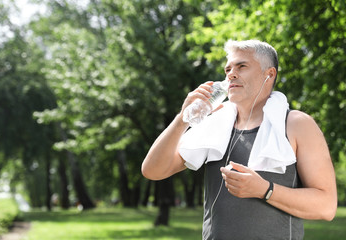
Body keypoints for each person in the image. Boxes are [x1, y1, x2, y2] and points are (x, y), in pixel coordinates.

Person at [141, 39, 337, 239]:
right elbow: (153, 170)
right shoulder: (214, 124)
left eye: (241, 66)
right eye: (227, 69)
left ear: (269, 74)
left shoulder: (296, 124)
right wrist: (183, 118)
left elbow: (326, 206)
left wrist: (265, 190)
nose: (231, 74)